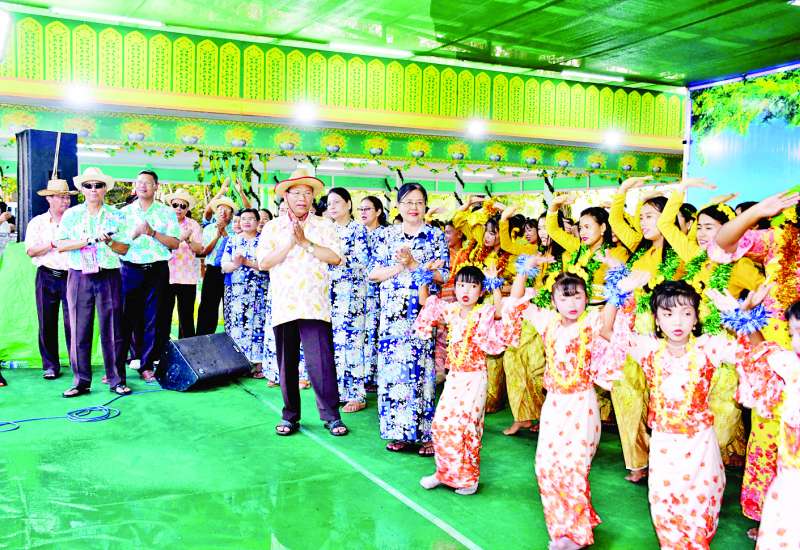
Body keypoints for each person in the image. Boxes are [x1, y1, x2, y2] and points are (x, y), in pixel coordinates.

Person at [603, 274, 769, 550]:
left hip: (700, 447)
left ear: (696, 318)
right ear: (656, 320)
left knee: (699, 514)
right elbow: (607, 331)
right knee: (666, 511)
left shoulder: (709, 347)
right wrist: (617, 293)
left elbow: (758, 353)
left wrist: (745, 318)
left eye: (686, 313)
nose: (677, 322)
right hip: (664, 446)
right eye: (668, 314)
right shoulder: (648, 349)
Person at [510, 266, 620, 550]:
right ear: (554, 301)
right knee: (546, 466)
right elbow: (516, 302)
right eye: (564, 297)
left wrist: (618, 284)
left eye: (578, 296)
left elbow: (610, 328)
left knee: (573, 467)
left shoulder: (592, 322)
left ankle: (577, 534)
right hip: (554, 405)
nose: (572, 303)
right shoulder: (547, 322)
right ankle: (563, 528)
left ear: (586, 299)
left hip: (581, 404)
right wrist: (523, 270)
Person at [415, 265, 522, 496]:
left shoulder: (483, 312)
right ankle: (443, 473)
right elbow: (425, 302)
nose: (466, 290)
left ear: (481, 291)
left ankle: (468, 479)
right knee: (442, 424)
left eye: (473, 286)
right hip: (454, 377)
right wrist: (424, 276)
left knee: (466, 428)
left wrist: (495, 285)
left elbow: (500, 312)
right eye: (462, 285)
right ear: (454, 288)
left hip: (474, 379)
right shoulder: (452, 310)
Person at [256, 167, 348, 437]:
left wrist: (305, 242)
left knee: (321, 363)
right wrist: (289, 242)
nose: (302, 198)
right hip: (284, 304)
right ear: (285, 196)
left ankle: (331, 416)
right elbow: (263, 263)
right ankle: (290, 416)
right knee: (287, 364)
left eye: (307, 193)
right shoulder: (273, 227)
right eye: (296, 193)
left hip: (314, 304)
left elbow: (335, 258)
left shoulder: (325, 225)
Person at [369, 182, 449, 456]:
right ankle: (399, 432)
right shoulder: (385, 235)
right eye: (408, 202)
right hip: (392, 314)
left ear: (425, 206)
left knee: (421, 371)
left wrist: (415, 264)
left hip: (421, 313)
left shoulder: (435, 236)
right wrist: (400, 266)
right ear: (398, 206)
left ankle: (425, 435)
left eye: (419, 202)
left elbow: (444, 275)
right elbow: (373, 274)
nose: (414, 207)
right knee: (394, 372)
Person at [55, 167, 131, 397]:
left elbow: (124, 248)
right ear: (82, 189)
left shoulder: (117, 215)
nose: (93, 189)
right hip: (79, 274)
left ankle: (116, 380)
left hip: (109, 274)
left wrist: (109, 243)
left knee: (113, 329)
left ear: (105, 189)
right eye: (88, 185)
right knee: (79, 328)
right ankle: (81, 382)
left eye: (98, 185)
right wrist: (86, 240)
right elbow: (61, 244)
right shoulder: (71, 214)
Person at [736, 301, 800, 550]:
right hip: (789, 482)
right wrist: (743, 313)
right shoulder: (792, 366)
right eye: (793, 334)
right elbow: (763, 349)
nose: (796, 342)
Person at [118, 170, 180, 383]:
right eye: (139, 182)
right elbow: (117, 244)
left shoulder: (167, 213)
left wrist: (152, 232)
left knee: (154, 318)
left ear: (156, 186)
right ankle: (117, 367)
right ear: (134, 187)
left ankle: (146, 365)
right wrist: (134, 233)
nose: (143, 186)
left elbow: (175, 243)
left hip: (157, 270)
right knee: (125, 317)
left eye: (147, 182)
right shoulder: (124, 212)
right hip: (130, 269)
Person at [24, 178, 75, 380]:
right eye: (61, 197)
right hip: (46, 275)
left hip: (72, 276)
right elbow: (31, 250)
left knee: (74, 322)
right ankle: (50, 366)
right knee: (46, 321)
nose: (65, 201)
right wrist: (53, 244)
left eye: (67, 197)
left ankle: (77, 364)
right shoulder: (37, 223)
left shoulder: (76, 221)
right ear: (49, 199)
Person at [326, 188, 371, 412]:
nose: (332, 207)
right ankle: (337, 392)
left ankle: (357, 394)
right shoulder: (327, 230)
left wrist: (337, 259)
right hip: (329, 294)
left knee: (352, 343)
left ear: (348, 204)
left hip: (352, 295)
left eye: (336, 202)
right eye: (329, 203)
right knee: (333, 343)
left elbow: (363, 260)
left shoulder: (358, 229)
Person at [221, 208, 268, 374]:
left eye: (251, 218)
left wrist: (247, 262)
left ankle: (258, 364)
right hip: (238, 291)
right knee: (238, 324)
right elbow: (224, 266)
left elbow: (267, 265)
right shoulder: (232, 240)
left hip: (259, 291)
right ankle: (238, 364)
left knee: (258, 324)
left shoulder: (264, 241)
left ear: (258, 222)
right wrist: (235, 264)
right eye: (243, 219)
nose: (247, 222)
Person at [161, 189, 203, 342]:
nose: (178, 208)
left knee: (186, 317)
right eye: (175, 205)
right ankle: (162, 349)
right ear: (170, 206)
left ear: (187, 209)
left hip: (187, 277)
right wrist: (179, 238)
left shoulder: (193, 225)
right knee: (163, 315)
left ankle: (188, 350)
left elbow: (199, 249)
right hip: (166, 275)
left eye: (183, 206)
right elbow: (159, 246)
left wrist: (188, 239)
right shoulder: (163, 223)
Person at [358, 195, 388, 393]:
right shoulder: (356, 232)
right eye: (360, 209)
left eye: (367, 209)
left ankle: (374, 376)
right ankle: (362, 375)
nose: (363, 212)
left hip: (378, 291)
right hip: (358, 292)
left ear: (378, 211)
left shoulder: (386, 234)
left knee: (375, 331)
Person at [196, 196, 235, 335]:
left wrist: (224, 233)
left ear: (231, 214)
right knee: (207, 307)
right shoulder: (208, 229)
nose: (223, 212)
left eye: (227, 209)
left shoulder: (235, 228)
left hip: (230, 271)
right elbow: (204, 252)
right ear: (216, 212)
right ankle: (203, 338)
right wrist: (217, 236)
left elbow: (233, 249)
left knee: (230, 306)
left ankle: (232, 337)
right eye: (220, 209)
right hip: (212, 270)